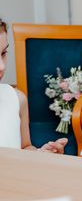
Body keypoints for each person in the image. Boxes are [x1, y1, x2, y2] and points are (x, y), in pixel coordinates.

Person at [0, 19, 67, 153]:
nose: (2, 66)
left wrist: (40, 154)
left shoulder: (17, 99)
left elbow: (25, 148)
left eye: (3, 53)